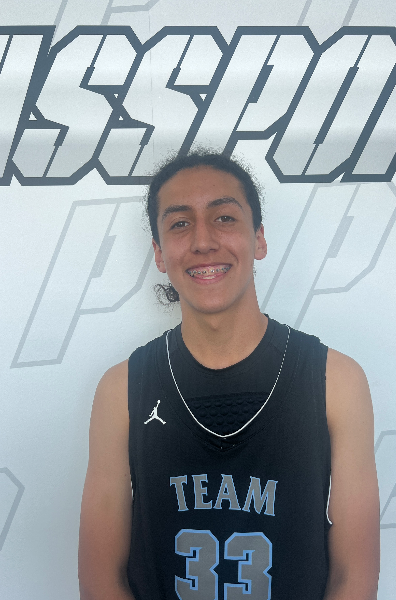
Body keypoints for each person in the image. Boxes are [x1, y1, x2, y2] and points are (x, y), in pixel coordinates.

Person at [78, 152, 380, 600]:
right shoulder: (120, 390)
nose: (203, 241)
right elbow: (101, 580)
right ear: (159, 253)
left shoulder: (336, 381)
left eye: (223, 218)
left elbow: (353, 578)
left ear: (258, 239)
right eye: (180, 223)